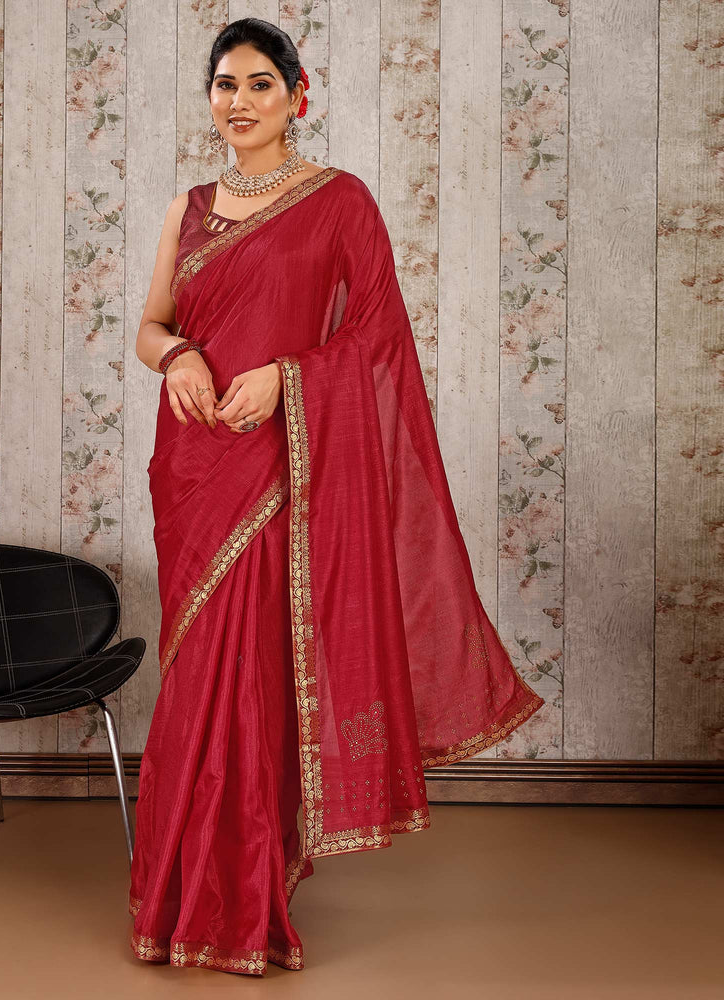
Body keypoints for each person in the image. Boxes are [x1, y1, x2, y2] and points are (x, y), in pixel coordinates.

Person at [128, 17, 545, 977]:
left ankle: (246, 903)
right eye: (225, 84)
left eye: (260, 84)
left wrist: (287, 378)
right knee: (198, 680)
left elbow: (378, 335)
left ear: (297, 97)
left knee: (258, 679)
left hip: (283, 469)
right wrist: (178, 355)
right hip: (198, 467)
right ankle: (179, 901)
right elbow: (150, 325)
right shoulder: (188, 209)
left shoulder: (340, 200)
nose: (239, 101)